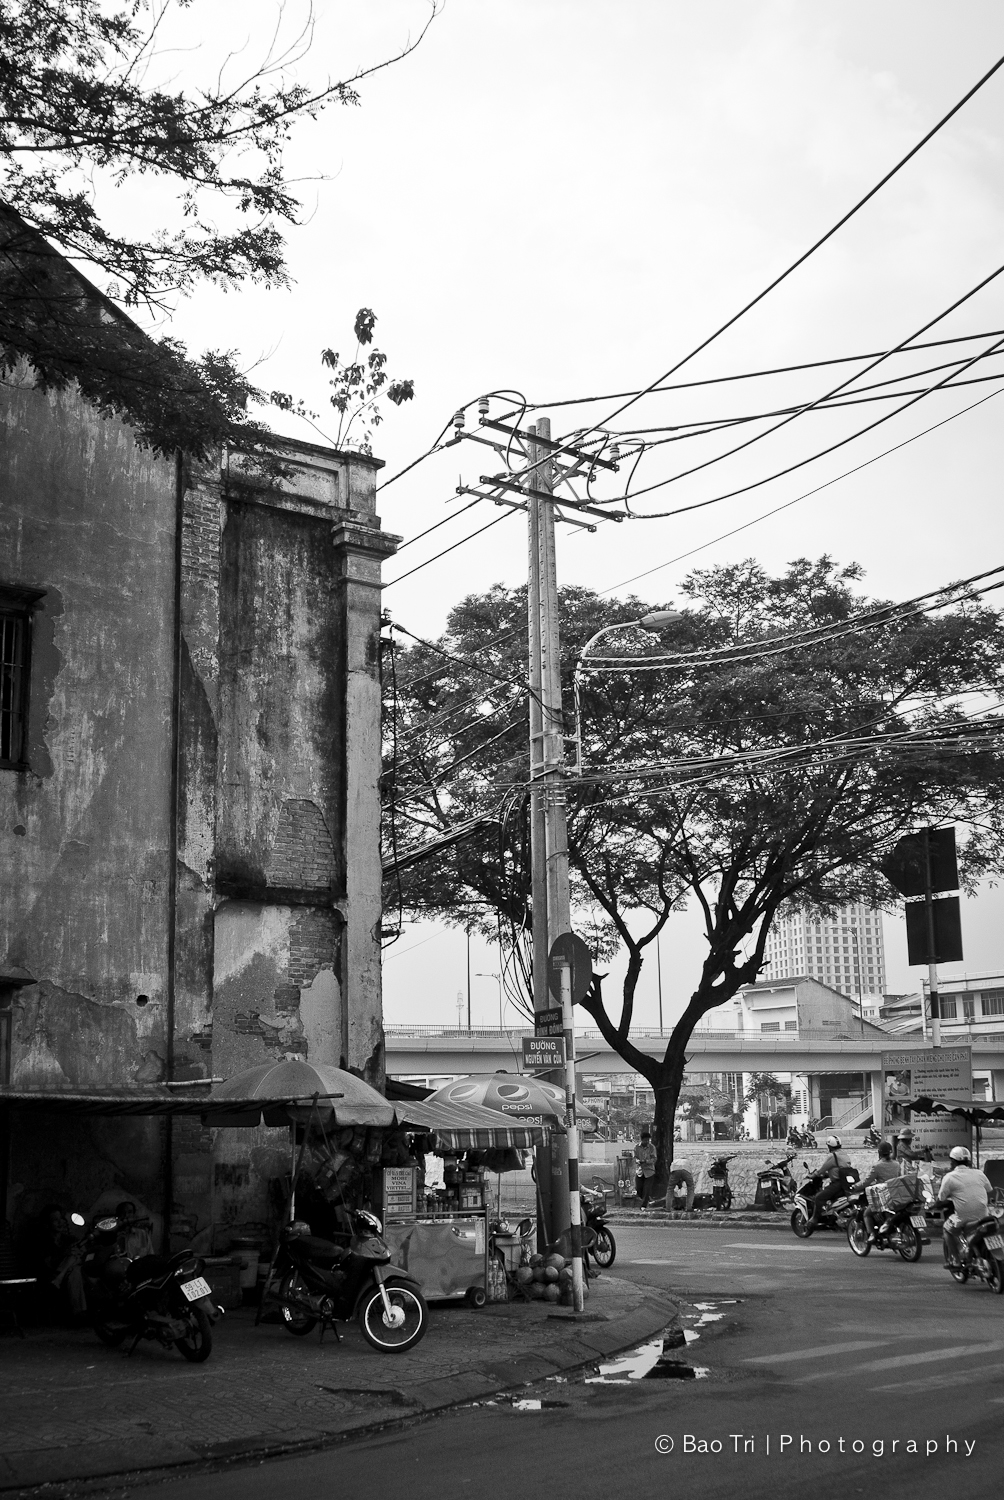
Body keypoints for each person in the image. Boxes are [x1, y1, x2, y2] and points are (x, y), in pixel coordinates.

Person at [938, 1146, 992, 1268]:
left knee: (947, 1229)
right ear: (968, 1161)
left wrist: (934, 1205)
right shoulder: (979, 1173)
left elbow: (941, 1199)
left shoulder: (949, 1177)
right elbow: (988, 1189)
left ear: (953, 1161)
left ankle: (956, 1260)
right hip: (984, 1215)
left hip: (962, 1217)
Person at [806, 1134, 855, 1232]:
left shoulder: (833, 1156)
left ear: (829, 1146)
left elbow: (822, 1170)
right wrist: (828, 1175)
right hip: (847, 1183)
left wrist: (812, 1175)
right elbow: (839, 1169)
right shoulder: (844, 1155)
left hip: (838, 1184)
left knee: (819, 1197)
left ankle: (814, 1219)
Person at [858, 1141, 901, 1243]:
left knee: (867, 1214)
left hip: (883, 1197)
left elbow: (866, 1181)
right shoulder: (897, 1164)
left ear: (879, 1152)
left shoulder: (877, 1166)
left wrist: (855, 1186)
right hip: (896, 1195)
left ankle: (872, 1234)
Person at [635, 1132, 657, 1208]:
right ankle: (647, 1199)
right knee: (639, 1189)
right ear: (641, 1140)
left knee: (647, 1189)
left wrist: (646, 1161)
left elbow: (654, 1158)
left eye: (648, 1140)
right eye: (645, 1140)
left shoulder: (652, 1147)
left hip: (649, 1171)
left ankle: (643, 1206)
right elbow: (634, 1158)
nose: (647, 1142)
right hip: (640, 1171)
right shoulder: (636, 1147)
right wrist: (638, 1161)